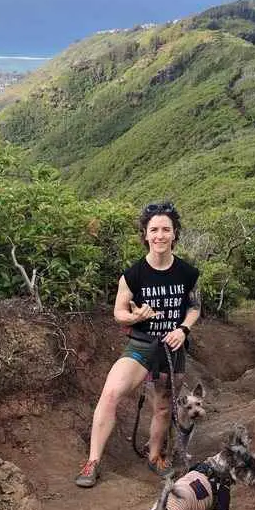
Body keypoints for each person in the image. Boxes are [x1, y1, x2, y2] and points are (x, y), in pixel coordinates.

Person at [75, 201, 201, 488]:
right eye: (154, 230)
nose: (160, 235)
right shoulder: (133, 274)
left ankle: (154, 455)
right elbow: (119, 311)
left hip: (173, 348)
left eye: (166, 230)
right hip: (141, 345)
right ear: (145, 234)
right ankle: (93, 461)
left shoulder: (187, 273)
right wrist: (134, 315)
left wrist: (183, 329)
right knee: (110, 394)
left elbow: (194, 308)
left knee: (163, 406)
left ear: (175, 233)